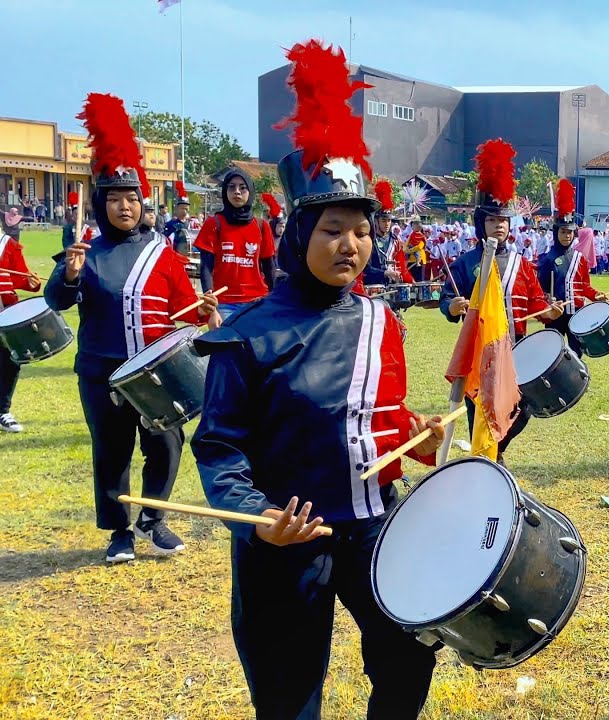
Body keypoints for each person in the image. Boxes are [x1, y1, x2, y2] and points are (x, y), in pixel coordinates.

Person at [192, 40, 446, 719]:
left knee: (409, 653)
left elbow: (377, 417)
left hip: (372, 527)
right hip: (288, 538)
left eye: (362, 231)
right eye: (333, 229)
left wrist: (415, 432)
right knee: (288, 693)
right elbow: (218, 447)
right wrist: (255, 519)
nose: (351, 246)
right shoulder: (246, 334)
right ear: (299, 232)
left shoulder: (380, 321)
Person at [45, 92, 221, 563]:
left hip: (157, 371)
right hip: (101, 371)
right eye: (115, 199)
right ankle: (118, 530)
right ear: (101, 205)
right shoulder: (86, 252)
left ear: (143, 203)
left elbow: (186, 311)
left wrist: (204, 312)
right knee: (112, 449)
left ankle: (153, 519)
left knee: (165, 443)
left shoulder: (161, 252)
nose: (124, 207)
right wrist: (69, 276)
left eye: (131, 198)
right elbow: (55, 302)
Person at [440, 143, 559, 459]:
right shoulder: (466, 263)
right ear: (482, 224)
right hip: (480, 358)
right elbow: (447, 299)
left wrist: (549, 311)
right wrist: (451, 306)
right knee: (480, 419)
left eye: (504, 220)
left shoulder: (522, 264)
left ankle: (496, 454)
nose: (499, 225)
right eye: (492, 220)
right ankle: (489, 463)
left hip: (515, 352)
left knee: (520, 413)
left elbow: (535, 301)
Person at [193, 169, 277, 321]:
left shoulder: (262, 226)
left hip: (257, 302)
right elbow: (206, 268)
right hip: (225, 304)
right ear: (225, 191)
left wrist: (276, 302)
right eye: (231, 187)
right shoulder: (213, 224)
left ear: (250, 191)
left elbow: (269, 267)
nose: (237, 192)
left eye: (242, 187)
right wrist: (212, 311)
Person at [539, 182, 607, 356]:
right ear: (556, 233)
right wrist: (548, 302)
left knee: (577, 352)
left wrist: (595, 295)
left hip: (577, 313)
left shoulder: (580, 258)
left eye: (569, 232)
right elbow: (540, 289)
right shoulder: (547, 259)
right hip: (556, 313)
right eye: (563, 232)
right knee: (552, 352)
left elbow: (584, 286)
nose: (567, 235)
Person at [0, 226, 41, 432]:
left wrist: (31, 283)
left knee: (10, 361)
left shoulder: (8, 244)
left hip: (6, 311)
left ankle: (3, 411)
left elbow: (18, 278)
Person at [362, 181, 410, 288]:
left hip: (392, 286)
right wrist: (384, 273)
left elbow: (402, 267)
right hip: (373, 287)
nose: (387, 224)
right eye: (384, 220)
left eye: (389, 221)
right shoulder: (369, 240)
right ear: (376, 221)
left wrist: (411, 281)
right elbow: (365, 269)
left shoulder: (395, 241)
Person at [163, 182, 193, 255]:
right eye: (182, 208)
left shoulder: (191, 223)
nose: (184, 211)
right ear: (176, 209)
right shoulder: (170, 224)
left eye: (186, 209)